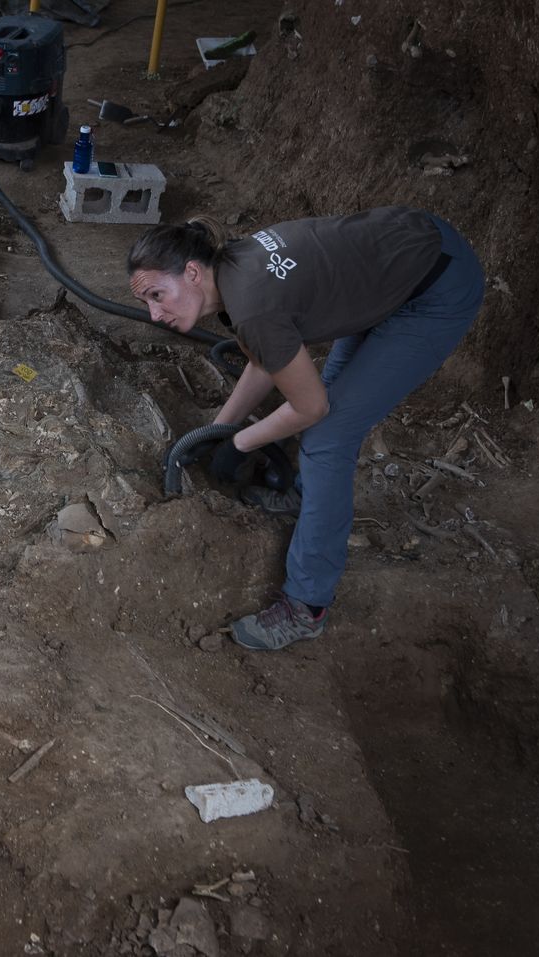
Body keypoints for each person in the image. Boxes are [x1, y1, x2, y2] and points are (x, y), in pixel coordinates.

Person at [126, 207, 484, 651]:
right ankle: (307, 498)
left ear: (193, 273)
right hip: (393, 264)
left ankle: (307, 605)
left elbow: (311, 407)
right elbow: (265, 361)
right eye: (147, 302)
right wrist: (218, 430)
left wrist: (239, 443)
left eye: (157, 294)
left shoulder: (253, 304)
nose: (154, 313)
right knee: (329, 399)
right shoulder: (232, 269)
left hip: (435, 287)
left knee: (327, 437)